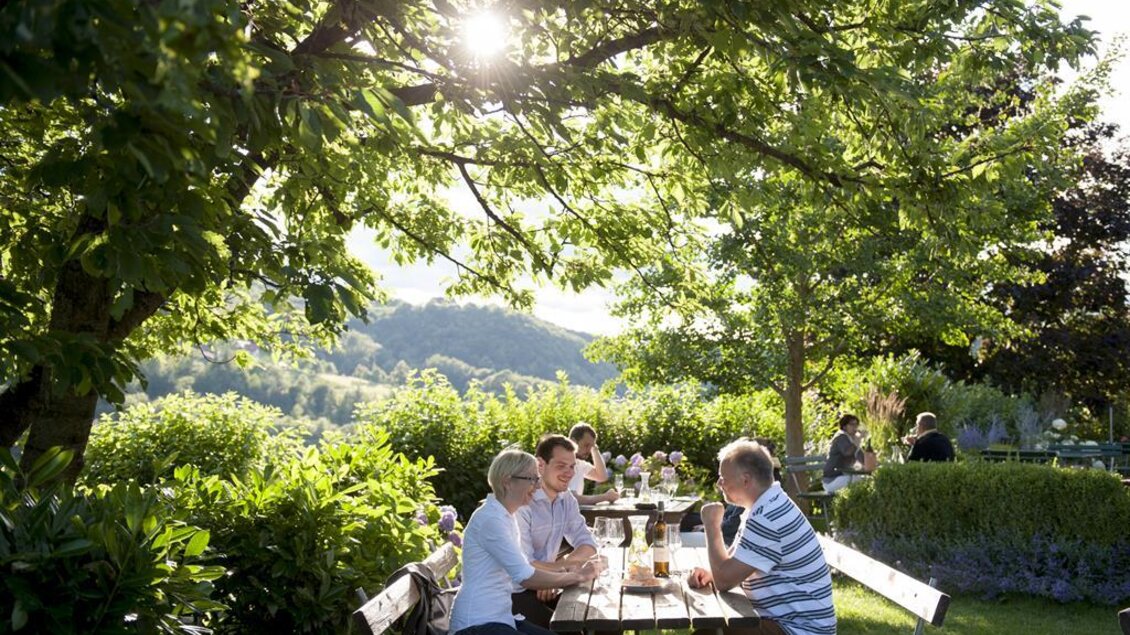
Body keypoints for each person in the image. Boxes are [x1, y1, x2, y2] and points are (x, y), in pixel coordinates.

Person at [689, 439, 836, 635]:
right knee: (709, 626)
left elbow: (724, 580)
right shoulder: (767, 504)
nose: (719, 484)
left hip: (797, 630)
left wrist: (712, 525)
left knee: (712, 627)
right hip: (787, 623)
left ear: (745, 479)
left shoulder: (767, 517)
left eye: (723, 478)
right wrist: (711, 573)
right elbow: (732, 565)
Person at [450, 449, 598, 635]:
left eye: (537, 479)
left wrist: (565, 571)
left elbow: (525, 568)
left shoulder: (505, 515)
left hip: (500, 619)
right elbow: (525, 576)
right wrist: (577, 576)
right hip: (476, 625)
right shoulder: (491, 520)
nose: (537, 486)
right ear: (507, 482)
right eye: (532, 480)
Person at [512, 435, 601, 628]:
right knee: (571, 626)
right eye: (561, 466)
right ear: (540, 465)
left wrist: (561, 569)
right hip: (513, 593)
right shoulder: (523, 503)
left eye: (572, 466)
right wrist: (561, 572)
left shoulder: (566, 498)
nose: (569, 473)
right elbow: (524, 566)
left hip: (548, 585)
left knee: (598, 615)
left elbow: (588, 543)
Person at [566, 422, 618, 505]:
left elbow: (602, 476)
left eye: (591, 446)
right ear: (573, 442)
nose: (588, 450)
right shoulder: (562, 464)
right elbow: (572, 498)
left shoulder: (580, 464)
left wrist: (595, 449)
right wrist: (605, 497)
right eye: (586, 445)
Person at [822, 414, 869, 494]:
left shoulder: (852, 440)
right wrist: (858, 440)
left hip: (843, 477)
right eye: (852, 424)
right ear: (844, 426)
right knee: (860, 481)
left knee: (866, 480)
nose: (855, 427)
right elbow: (847, 452)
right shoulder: (841, 437)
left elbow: (863, 459)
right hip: (832, 480)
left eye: (856, 424)